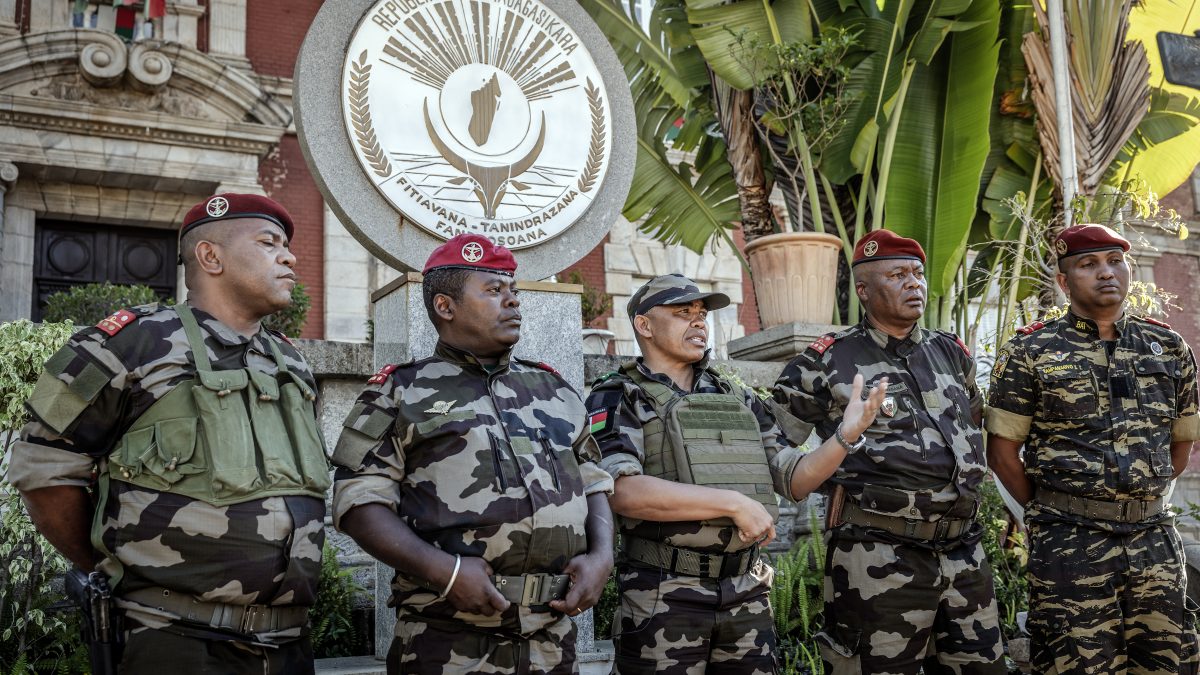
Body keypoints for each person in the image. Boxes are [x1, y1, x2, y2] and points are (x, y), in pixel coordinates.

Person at [9, 194, 328, 673]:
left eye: (286, 245)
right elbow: (44, 468)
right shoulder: (129, 343)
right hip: (175, 641)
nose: (289, 256)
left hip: (288, 643)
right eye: (269, 243)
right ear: (210, 256)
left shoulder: (291, 362)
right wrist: (105, 565)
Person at [331, 233, 614, 675]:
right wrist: (444, 571)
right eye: (494, 291)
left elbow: (594, 481)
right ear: (445, 307)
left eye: (514, 291)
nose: (513, 302)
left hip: (552, 640)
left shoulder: (554, 389)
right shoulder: (400, 392)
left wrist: (602, 557)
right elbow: (357, 503)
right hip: (445, 642)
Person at [584, 273, 888, 674]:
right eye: (682, 313)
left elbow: (792, 478)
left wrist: (845, 437)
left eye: (700, 313)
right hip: (663, 593)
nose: (698, 321)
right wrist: (733, 503)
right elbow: (620, 491)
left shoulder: (735, 394)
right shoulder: (619, 394)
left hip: (745, 593)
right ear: (644, 325)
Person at [771, 230, 1005, 674]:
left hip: (964, 552)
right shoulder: (827, 362)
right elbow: (773, 442)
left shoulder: (950, 353)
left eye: (917, 273)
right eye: (897, 275)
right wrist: (812, 470)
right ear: (863, 290)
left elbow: (974, 422)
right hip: (877, 556)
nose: (913, 283)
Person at [987, 223, 1200, 674]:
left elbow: (1180, 448)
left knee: (1167, 663)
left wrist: (1140, 498)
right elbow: (1003, 454)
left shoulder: (1168, 347)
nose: (1107, 273)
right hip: (1070, 544)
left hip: (1153, 540)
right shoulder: (1031, 350)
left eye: (1115, 261)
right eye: (1089, 264)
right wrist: (1056, 511)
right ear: (1064, 282)